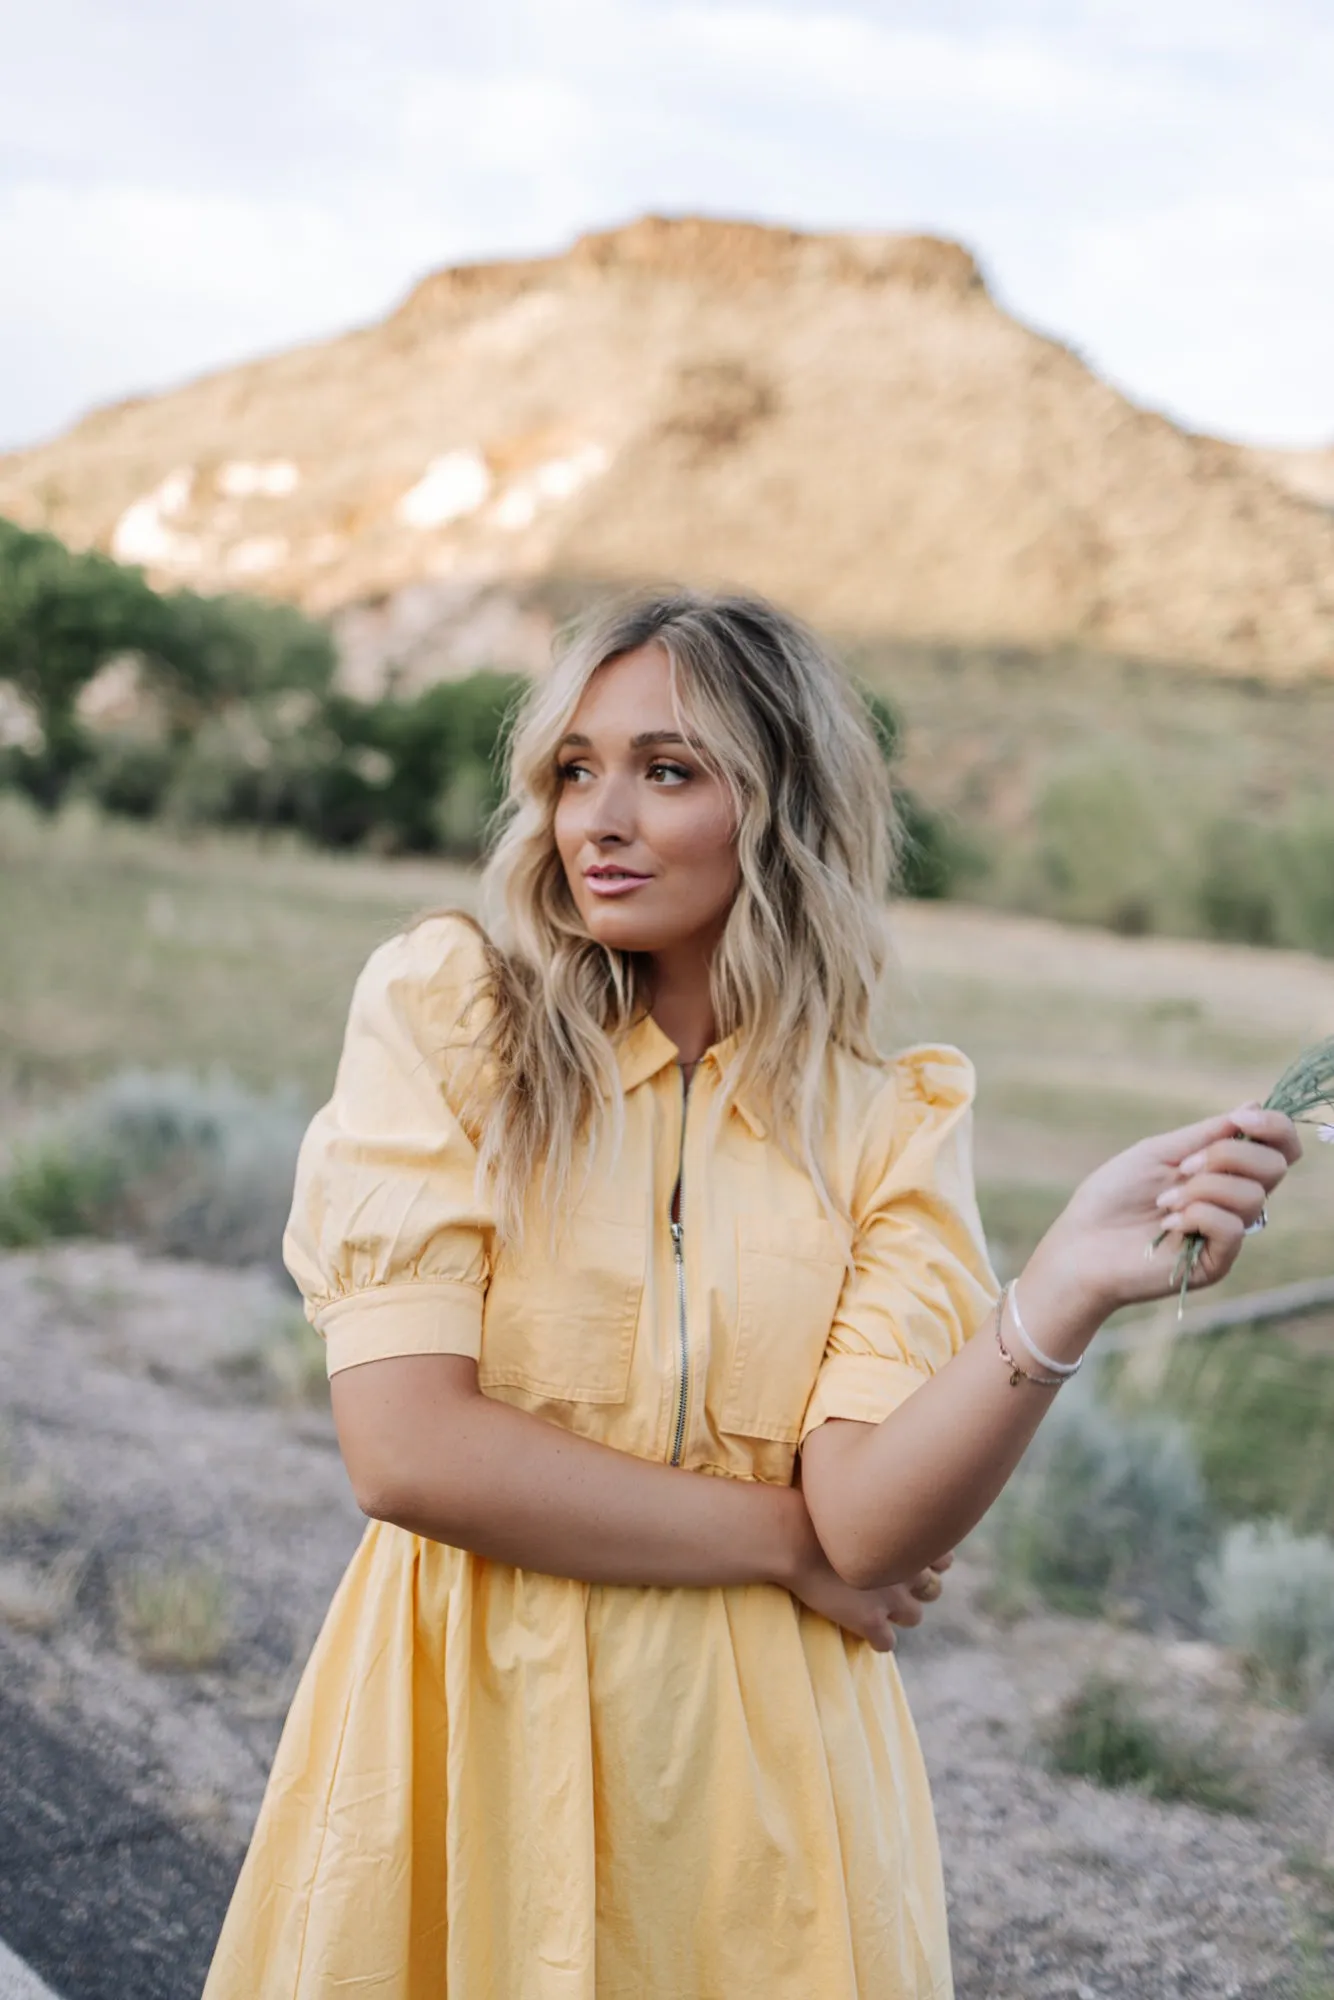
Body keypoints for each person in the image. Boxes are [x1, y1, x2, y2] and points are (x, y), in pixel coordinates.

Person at [203, 589, 1300, 2000]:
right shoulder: (450, 1013)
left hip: (762, 1796)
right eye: (571, 770)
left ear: (780, 809)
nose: (596, 817)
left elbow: (874, 1522)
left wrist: (1061, 1292)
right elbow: (408, 1449)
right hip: (467, 1732)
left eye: (666, 771)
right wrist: (783, 1547)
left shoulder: (886, 1119)